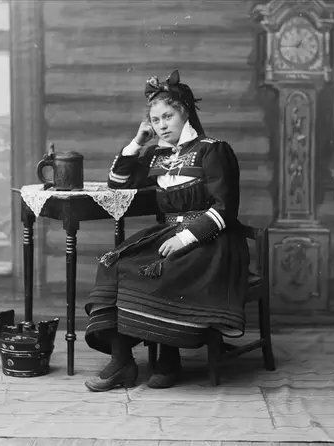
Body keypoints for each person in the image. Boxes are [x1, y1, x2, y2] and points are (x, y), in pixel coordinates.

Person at [84, 70, 250, 391]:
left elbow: (225, 209)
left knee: (161, 270)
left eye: (168, 116)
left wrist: (184, 238)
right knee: (114, 264)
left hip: (212, 241)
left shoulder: (213, 150)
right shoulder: (157, 156)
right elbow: (118, 182)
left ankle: (168, 359)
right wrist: (138, 141)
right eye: (155, 119)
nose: (161, 125)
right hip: (170, 233)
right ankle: (122, 362)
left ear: (185, 112)